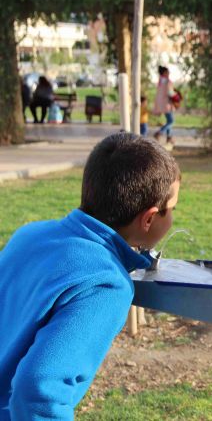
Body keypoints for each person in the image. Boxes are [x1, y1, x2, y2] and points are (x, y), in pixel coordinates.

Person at [0, 133, 181, 419]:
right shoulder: (106, 283)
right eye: (172, 210)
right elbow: (38, 390)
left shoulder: (29, 234)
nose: (173, 218)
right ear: (148, 218)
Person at [153, 66, 176, 145]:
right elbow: (170, 93)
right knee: (171, 121)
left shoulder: (160, 81)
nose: (169, 73)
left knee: (169, 121)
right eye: (168, 72)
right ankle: (160, 132)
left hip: (161, 104)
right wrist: (177, 96)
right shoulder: (167, 81)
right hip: (167, 104)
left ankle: (169, 138)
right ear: (164, 73)